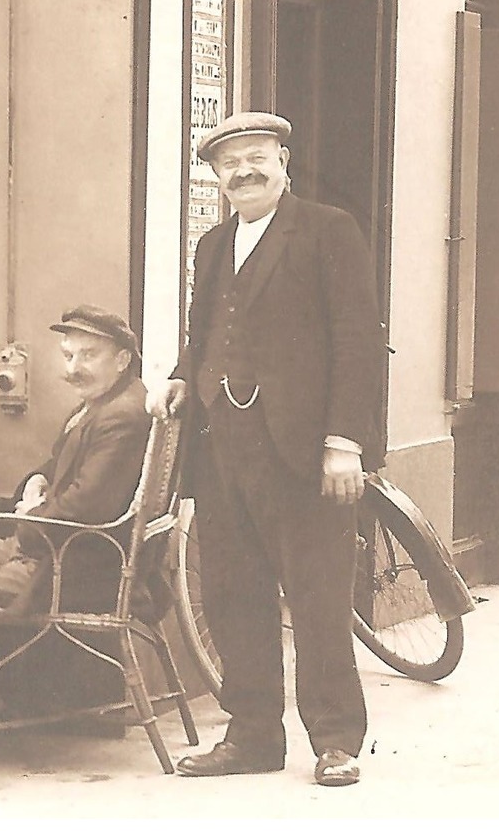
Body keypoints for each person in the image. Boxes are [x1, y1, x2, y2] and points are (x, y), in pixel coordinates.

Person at [148, 111, 387, 788]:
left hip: (304, 448)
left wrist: (344, 441)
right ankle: (251, 734)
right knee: (231, 594)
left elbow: (356, 341)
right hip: (220, 444)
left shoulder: (326, 229)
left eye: (256, 156)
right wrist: (176, 377)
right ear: (217, 177)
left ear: (283, 159)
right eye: (229, 163)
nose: (243, 171)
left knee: (315, 597)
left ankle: (336, 740)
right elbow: (203, 331)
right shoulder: (211, 245)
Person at [0, 305, 151, 734]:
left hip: (71, 564)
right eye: (69, 356)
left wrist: (29, 516)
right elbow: (56, 470)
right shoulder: (101, 405)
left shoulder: (121, 417)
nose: (74, 369)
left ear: (123, 359)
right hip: (52, 546)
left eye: (88, 356)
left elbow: (81, 508)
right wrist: (37, 482)